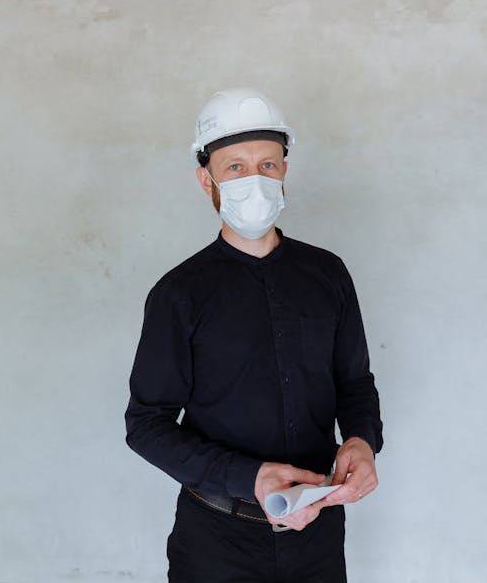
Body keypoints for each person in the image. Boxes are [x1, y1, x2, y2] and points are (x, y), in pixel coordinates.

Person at [125, 87, 383, 583]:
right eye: (236, 168)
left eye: (267, 164)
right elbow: (146, 424)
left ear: (284, 170)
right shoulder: (179, 294)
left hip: (318, 538)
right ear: (207, 181)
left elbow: (355, 382)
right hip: (216, 544)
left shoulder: (328, 275)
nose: (254, 180)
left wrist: (361, 440)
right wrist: (251, 478)